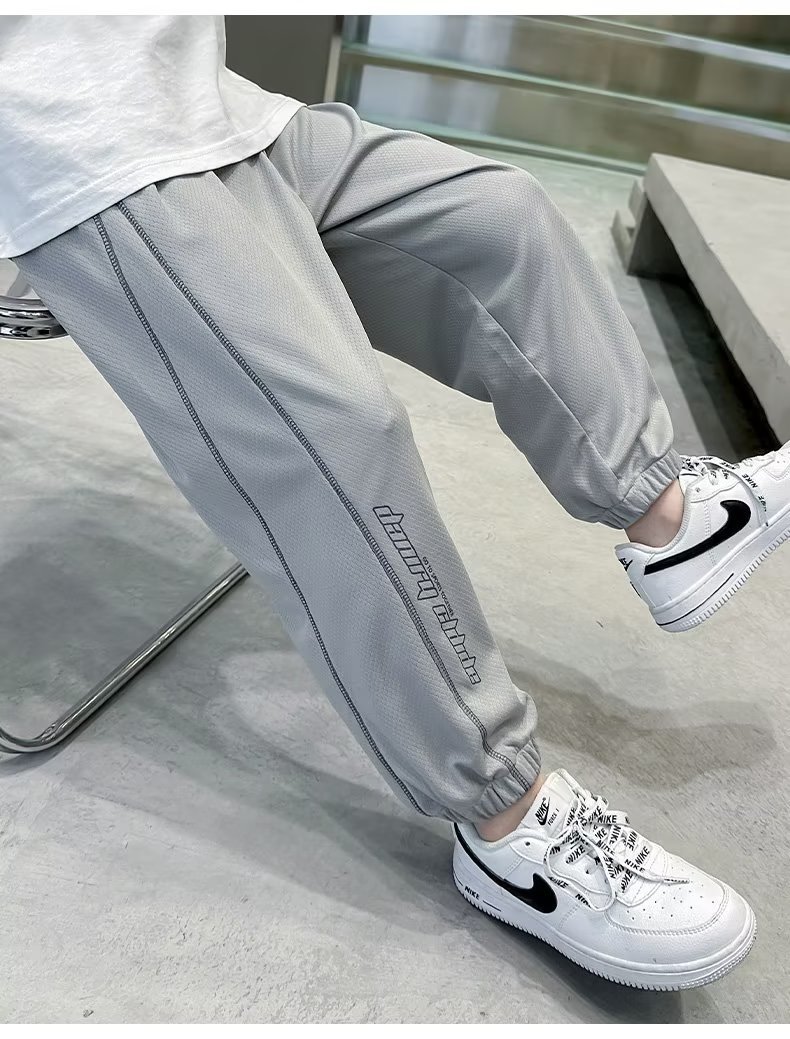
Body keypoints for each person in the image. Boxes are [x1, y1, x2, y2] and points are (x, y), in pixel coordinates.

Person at [3, 14, 785, 991]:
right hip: (72, 143)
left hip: (204, 100)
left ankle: (668, 516)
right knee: (333, 438)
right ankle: (505, 820)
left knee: (500, 219)